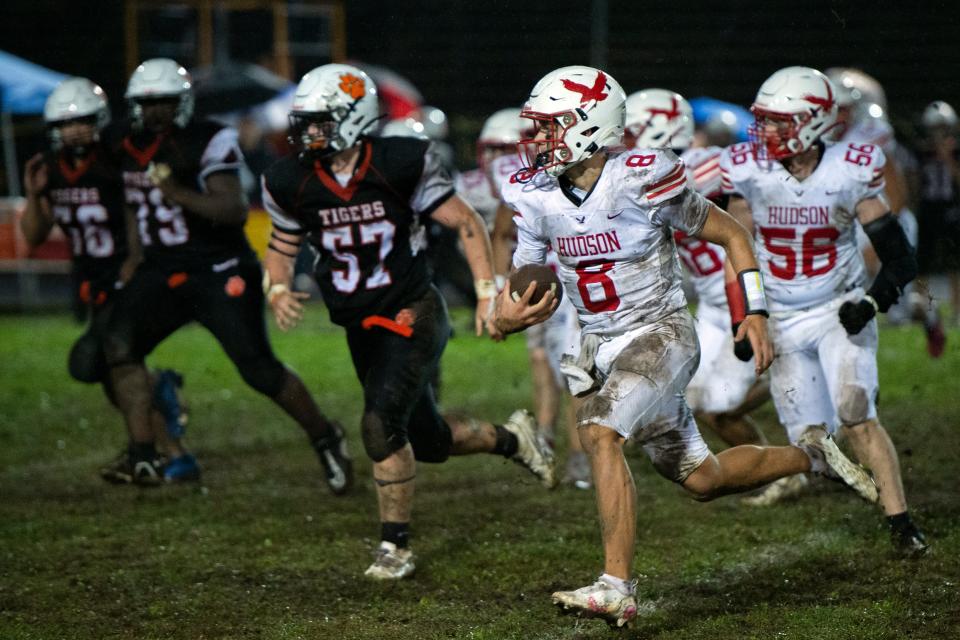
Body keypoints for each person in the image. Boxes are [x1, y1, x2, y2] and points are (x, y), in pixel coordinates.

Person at [493, 65, 877, 628]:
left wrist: (755, 312)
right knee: (703, 479)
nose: (540, 140)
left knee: (599, 430)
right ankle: (816, 456)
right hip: (600, 343)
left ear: (590, 125)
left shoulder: (642, 177)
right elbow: (529, 269)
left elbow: (733, 235)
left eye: (553, 127)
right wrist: (509, 309)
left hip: (660, 333)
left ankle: (616, 586)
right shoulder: (534, 192)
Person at [260, 64, 556, 580]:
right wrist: (278, 285)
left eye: (321, 121)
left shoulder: (400, 163)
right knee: (428, 441)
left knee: (378, 424)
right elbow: (281, 245)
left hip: (413, 309)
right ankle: (513, 439)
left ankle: (394, 547)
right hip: (362, 323)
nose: (309, 132)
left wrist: (488, 292)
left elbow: (466, 222)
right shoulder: (292, 180)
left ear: (354, 119)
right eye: (305, 121)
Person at [101, 58, 352, 492]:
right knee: (112, 350)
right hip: (161, 268)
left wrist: (175, 192)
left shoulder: (209, 137)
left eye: (163, 102)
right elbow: (129, 202)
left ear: (181, 102)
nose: (155, 112)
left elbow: (233, 209)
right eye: (147, 103)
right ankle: (146, 455)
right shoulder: (124, 143)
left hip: (218, 269)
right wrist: (134, 254)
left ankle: (325, 436)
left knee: (258, 370)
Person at [720, 65, 928, 556]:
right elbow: (737, 250)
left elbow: (900, 256)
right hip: (783, 314)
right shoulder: (749, 170)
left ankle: (901, 522)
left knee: (857, 414)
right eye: (763, 120)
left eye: (778, 121)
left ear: (814, 122)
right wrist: (745, 318)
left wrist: (873, 301)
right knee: (814, 441)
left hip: (840, 307)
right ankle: (843, 476)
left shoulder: (850, 168)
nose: (765, 132)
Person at [21, 77, 195, 483]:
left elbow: (137, 205)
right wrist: (33, 195)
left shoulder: (114, 157)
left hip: (129, 275)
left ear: (99, 120)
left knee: (93, 361)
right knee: (110, 372)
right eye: (66, 123)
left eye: (83, 120)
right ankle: (169, 443)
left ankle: (149, 450)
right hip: (93, 280)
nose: (75, 130)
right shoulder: (51, 169)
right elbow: (33, 236)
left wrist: (136, 256)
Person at [624, 88, 771, 452]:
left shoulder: (705, 164)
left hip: (747, 292)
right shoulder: (647, 177)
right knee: (697, 400)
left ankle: (796, 385)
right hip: (711, 303)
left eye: (627, 132)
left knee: (717, 406)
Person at [483, 109, 589, 488]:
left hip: (577, 282)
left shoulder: (589, 169)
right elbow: (500, 233)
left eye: (547, 131)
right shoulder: (520, 178)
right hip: (536, 278)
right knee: (542, 360)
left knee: (575, 372)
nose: (541, 140)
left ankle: (580, 455)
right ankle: (544, 438)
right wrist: (499, 290)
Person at [917, 100, 960, 327]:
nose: (937, 135)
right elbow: (914, 182)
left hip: (951, 210)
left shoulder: (955, 150)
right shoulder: (922, 153)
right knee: (921, 261)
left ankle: (957, 309)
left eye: (941, 129)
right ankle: (923, 309)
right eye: (934, 130)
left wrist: (948, 157)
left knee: (955, 262)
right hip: (928, 209)